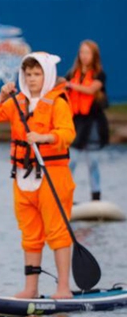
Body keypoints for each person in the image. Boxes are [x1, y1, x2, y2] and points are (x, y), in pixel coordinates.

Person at [0, 52, 76, 299]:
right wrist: (1, 96)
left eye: (37, 74)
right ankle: (31, 288)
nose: (32, 79)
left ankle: (63, 288)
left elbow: (68, 134)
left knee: (57, 232)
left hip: (53, 176)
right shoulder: (16, 102)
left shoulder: (59, 103)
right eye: (28, 74)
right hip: (23, 178)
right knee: (30, 234)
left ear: (47, 75)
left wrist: (45, 137)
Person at [65, 40, 109, 202]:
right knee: (71, 161)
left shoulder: (99, 74)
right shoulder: (72, 73)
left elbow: (91, 89)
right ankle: (65, 195)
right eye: (82, 52)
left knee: (93, 162)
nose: (84, 56)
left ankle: (96, 197)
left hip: (93, 123)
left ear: (94, 55)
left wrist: (69, 84)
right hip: (76, 123)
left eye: (87, 53)